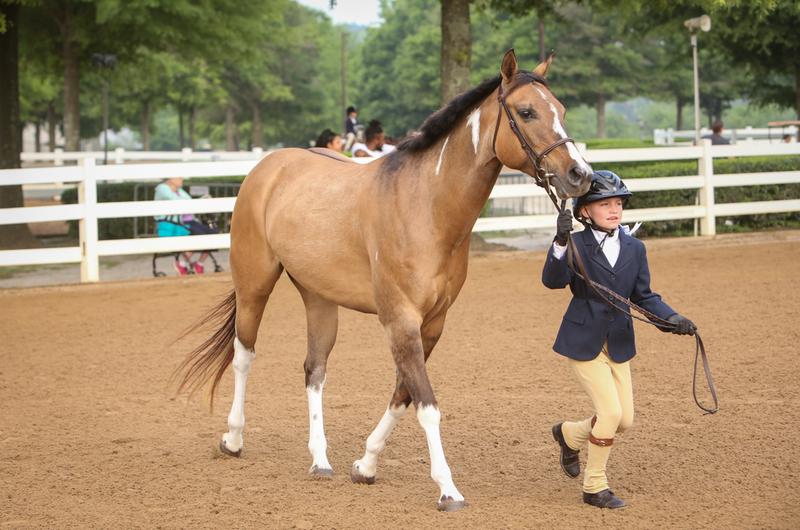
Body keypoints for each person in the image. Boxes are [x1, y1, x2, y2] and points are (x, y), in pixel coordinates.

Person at [543, 170, 696, 510]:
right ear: (585, 211)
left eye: (618, 204)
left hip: (619, 341)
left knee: (624, 419)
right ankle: (595, 486)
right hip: (583, 341)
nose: (614, 210)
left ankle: (568, 434)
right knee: (610, 412)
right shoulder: (576, 244)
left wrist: (672, 319)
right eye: (604, 204)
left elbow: (644, 295)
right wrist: (560, 243)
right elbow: (553, 281)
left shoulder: (635, 247)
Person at [154, 177, 218, 275]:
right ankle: (183, 264)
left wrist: (202, 200)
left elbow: (189, 201)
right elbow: (177, 201)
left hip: (188, 221)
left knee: (213, 233)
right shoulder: (162, 188)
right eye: (179, 177)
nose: (182, 179)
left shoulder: (179, 190)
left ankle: (199, 264)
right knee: (199, 234)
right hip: (175, 223)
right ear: (170, 179)